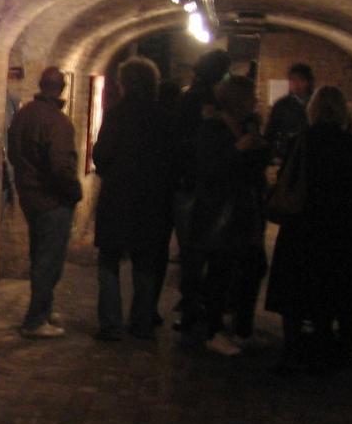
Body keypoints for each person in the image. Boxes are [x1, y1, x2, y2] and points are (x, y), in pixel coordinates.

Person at [264, 86, 352, 372]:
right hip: (337, 231)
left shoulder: (300, 142)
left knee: (296, 292)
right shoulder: (350, 146)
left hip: (300, 227)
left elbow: (285, 181)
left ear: (313, 110)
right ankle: (332, 353)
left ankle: (292, 352)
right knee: (334, 292)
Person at [91, 56, 174, 340]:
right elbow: (173, 162)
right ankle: (141, 322)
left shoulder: (116, 115)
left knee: (109, 261)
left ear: (124, 83)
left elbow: (102, 155)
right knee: (146, 264)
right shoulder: (164, 118)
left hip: (118, 198)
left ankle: (111, 324)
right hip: (152, 202)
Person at [188, 75, 269, 356]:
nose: (255, 101)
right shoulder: (213, 129)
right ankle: (214, 331)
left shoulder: (246, 127)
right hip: (219, 211)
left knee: (253, 266)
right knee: (220, 271)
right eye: (251, 97)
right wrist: (238, 149)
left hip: (244, 210)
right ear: (237, 100)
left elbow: (254, 170)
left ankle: (242, 329)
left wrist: (259, 148)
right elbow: (209, 169)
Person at [7, 66, 83, 338]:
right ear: (62, 88)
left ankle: (44, 309)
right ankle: (36, 320)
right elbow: (61, 167)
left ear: (41, 85)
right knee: (49, 261)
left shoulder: (23, 115)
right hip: (53, 200)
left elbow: (13, 154)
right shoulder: (58, 122)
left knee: (40, 255)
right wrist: (74, 192)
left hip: (30, 196)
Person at [172, 50, 231, 337]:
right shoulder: (207, 101)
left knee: (192, 251)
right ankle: (197, 308)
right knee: (203, 250)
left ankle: (191, 306)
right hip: (200, 184)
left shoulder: (190, 97)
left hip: (188, 182)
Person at [265, 62, 314, 165]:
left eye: (301, 80)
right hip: (287, 156)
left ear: (308, 82)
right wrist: (273, 155)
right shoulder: (281, 105)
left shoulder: (316, 103)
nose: (296, 84)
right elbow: (271, 132)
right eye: (292, 80)